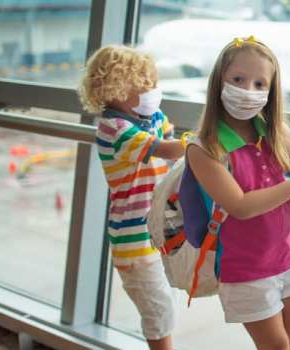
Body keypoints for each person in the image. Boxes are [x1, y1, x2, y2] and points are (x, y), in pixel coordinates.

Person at [186, 36, 290, 350]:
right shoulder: (205, 149)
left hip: (287, 253)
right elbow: (240, 206)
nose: (248, 91)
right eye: (238, 80)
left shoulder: (275, 130)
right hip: (246, 266)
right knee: (276, 346)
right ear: (219, 83)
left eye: (259, 83)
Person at [78, 45, 183, 350]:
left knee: (167, 304)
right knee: (158, 311)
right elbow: (164, 148)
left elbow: (170, 142)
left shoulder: (153, 117)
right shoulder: (114, 128)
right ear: (117, 88)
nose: (154, 90)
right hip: (134, 241)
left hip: (160, 231)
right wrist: (201, 141)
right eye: (145, 83)